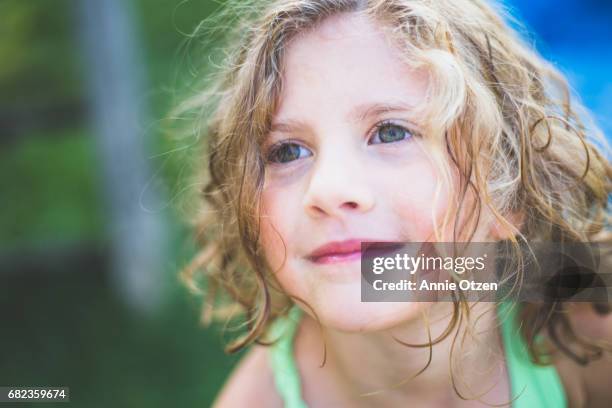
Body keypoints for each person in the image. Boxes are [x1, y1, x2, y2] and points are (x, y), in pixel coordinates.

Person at [177, 0, 612, 406]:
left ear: (507, 188)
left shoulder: (586, 327)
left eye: (390, 132)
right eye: (287, 151)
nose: (328, 189)